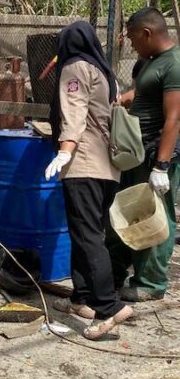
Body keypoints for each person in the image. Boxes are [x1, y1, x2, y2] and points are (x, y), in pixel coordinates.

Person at [45, 20, 133, 340]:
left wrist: (64, 152)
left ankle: (110, 305)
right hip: (108, 169)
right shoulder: (105, 73)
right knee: (87, 232)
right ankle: (82, 297)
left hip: (83, 164)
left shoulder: (74, 68)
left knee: (87, 236)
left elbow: (74, 112)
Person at [107, 7, 180, 302]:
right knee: (124, 211)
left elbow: (174, 118)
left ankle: (151, 283)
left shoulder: (174, 65)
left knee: (154, 217)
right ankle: (113, 270)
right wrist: (127, 97)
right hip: (138, 152)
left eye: (133, 36)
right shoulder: (152, 61)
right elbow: (147, 91)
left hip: (156, 155)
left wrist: (161, 166)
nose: (131, 42)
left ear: (147, 33)